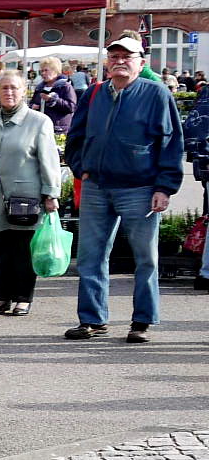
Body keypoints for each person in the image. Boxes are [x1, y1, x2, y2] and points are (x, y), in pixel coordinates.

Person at [63, 34, 184, 343]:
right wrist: (82, 169)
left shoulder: (156, 94)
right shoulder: (94, 93)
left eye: (127, 57)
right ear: (107, 63)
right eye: (114, 56)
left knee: (146, 258)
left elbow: (171, 143)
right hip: (98, 187)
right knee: (91, 256)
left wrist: (165, 187)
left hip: (140, 189)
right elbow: (75, 138)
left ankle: (142, 321)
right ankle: (92, 320)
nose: (120, 62)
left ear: (140, 63)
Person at [0, 70, 61, 316]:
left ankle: (22, 298)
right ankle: (1, 298)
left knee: (22, 251)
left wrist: (51, 194)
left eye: (14, 88)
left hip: (25, 199)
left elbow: (49, 162)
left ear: (24, 91)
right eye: (4, 88)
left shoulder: (39, 122)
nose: (9, 92)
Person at [34, 56, 76, 134]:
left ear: (55, 71)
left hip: (57, 130)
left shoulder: (65, 86)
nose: (43, 73)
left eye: (46, 70)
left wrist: (53, 100)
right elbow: (33, 102)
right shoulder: (39, 88)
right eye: (41, 71)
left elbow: (71, 107)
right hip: (40, 128)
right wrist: (33, 106)